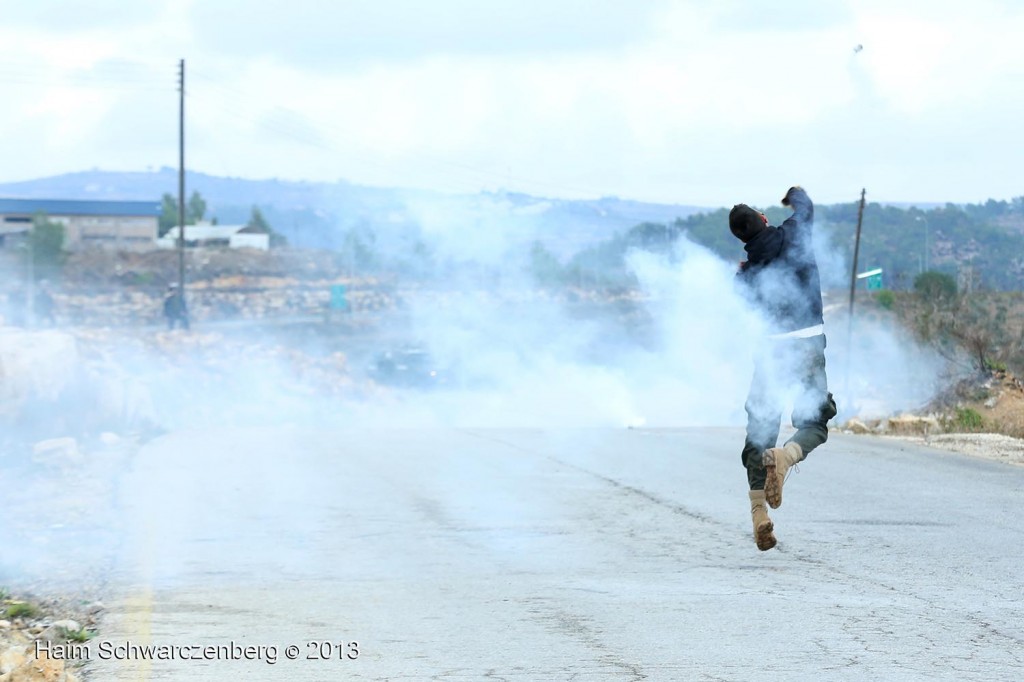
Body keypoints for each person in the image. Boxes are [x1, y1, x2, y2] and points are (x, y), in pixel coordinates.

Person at [730, 186, 837, 551]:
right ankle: (787, 456)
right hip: (808, 341)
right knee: (815, 422)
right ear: (763, 220)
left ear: (741, 238)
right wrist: (792, 194)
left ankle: (759, 512)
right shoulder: (794, 233)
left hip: (771, 351)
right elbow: (806, 204)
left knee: (759, 432)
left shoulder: (746, 275)